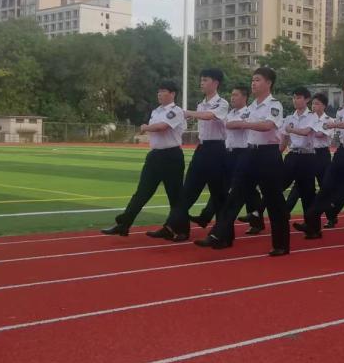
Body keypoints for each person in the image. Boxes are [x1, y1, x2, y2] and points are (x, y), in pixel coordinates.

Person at [196, 67, 290, 256]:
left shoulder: (274, 105)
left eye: (257, 80)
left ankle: (281, 245)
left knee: (274, 202)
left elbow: (267, 126)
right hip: (249, 153)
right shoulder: (251, 107)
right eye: (253, 80)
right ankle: (218, 235)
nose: (253, 83)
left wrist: (244, 124)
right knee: (233, 196)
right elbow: (231, 123)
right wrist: (240, 124)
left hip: (268, 155)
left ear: (268, 83)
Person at [150, 69, 228, 241]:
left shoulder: (222, 103)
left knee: (218, 194)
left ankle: (221, 234)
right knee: (187, 192)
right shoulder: (201, 104)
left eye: (205, 80)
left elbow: (209, 116)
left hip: (217, 150)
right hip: (202, 149)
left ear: (215, 83)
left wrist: (188, 113)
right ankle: (171, 227)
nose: (201, 83)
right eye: (201, 80)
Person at [101, 81, 186, 237]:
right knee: (142, 192)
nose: (159, 94)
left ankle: (179, 229)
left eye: (163, 91)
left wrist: (145, 127)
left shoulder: (176, 111)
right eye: (158, 91)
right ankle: (124, 224)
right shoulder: (156, 111)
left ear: (173, 94)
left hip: (171, 156)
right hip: (155, 155)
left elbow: (162, 127)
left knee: (175, 195)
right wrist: (147, 128)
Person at [300, 76, 344, 247]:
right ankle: (312, 219)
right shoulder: (341, 110)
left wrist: (334, 125)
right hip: (342, 151)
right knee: (327, 185)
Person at [191, 85, 262, 228]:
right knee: (226, 187)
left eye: (236, 95)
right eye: (232, 95)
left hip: (242, 152)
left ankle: (253, 219)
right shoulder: (230, 113)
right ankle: (207, 216)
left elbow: (234, 125)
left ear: (244, 97)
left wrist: (229, 123)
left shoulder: (248, 112)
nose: (232, 98)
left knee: (241, 188)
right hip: (228, 153)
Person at [280, 87, 320, 216]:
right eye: (294, 98)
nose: (295, 100)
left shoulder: (312, 116)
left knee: (308, 193)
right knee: (277, 186)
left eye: (298, 98)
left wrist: (291, 130)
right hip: (292, 155)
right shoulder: (289, 118)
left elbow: (306, 132)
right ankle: (271, 213)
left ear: (307, 99)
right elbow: (284, 139)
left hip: (307, 157)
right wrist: (277, 153)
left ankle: (311, 224)